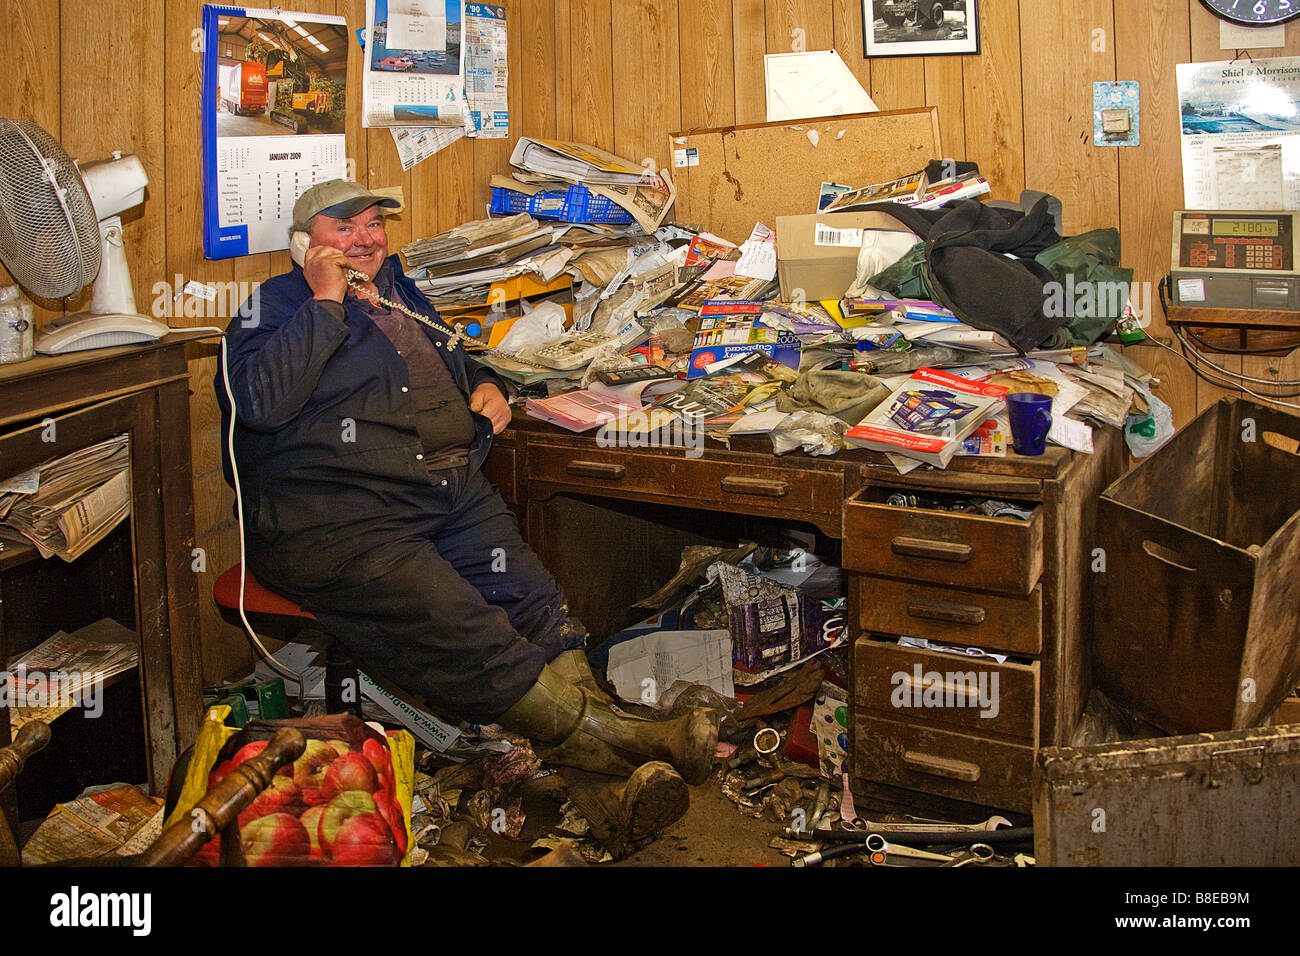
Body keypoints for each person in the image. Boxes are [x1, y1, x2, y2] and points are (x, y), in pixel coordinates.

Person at [216, 180, 717, 792]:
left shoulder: (395, 288)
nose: (365, 239)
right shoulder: (270, 307)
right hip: (340, 520)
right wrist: (324, 303)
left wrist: (487, 384)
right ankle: (625, 746)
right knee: (468, 632)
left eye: (373, 224)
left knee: (533, 600)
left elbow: (455, 354)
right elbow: (261, 403)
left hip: (445, 492)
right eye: (343, 229)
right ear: (304, 244)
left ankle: (604, 747)